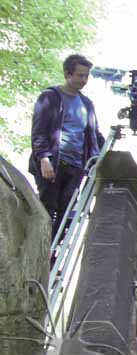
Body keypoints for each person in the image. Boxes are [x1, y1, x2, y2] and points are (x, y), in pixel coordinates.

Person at [29, 54, 105, 239]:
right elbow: (38, 131)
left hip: (76, 167)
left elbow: (93, 135)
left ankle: (52, 257)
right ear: (67, 74)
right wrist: (44, 159)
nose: (84, 80)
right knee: (48, 210)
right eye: (80, 75)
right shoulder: (50, 97)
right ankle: (39, 252)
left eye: (86, 76)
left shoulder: (87, 104)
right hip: (53, 163)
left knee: (67, 214)